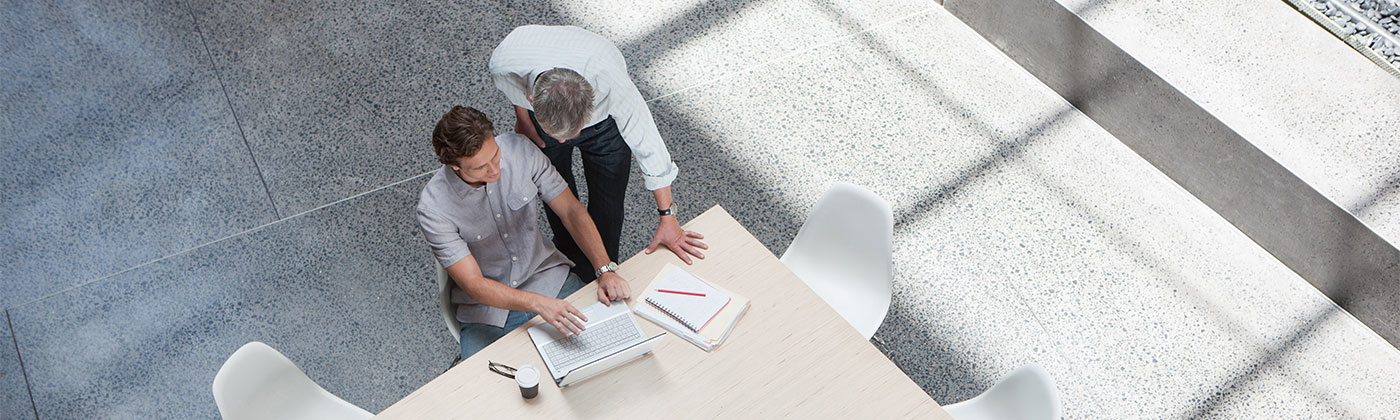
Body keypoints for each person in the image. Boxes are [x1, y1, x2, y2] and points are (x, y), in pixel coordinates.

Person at [488, 25, 707, 282]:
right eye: (557, 134)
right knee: (554, 193)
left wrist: (668, 218)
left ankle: (603, 271)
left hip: (603, 127)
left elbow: (648, 142)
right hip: (543, 111)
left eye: (568, 134)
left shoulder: (610, 80)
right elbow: (514, 86)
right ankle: (570, 261)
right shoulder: (503, 63)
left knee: (608, 200)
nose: (561, 141)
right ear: (533, 99)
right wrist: (524, 119)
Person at [417, 106, 632, 360]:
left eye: (495, 155)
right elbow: (474, 285)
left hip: (550, 281)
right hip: (487, 311)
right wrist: (538, 303)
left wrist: (604, 270)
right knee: (487, 392)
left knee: (615, 347)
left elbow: (571, 211)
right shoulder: (434, 208)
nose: (494, 170)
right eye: (479, 168)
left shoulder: (519, 149)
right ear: (454, 166)